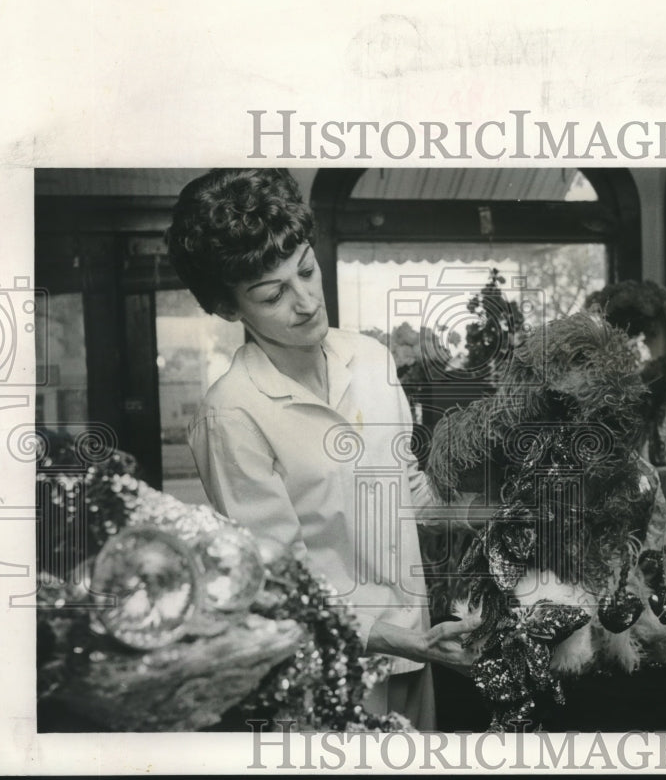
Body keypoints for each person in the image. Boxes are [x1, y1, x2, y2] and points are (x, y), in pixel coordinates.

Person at [166, 168, 478, 729]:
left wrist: (462, 505)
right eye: (272, 294)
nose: (306, 301)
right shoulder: (231, 415)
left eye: (306, 270)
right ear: (230, 308)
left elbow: (408, 492)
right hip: (325, 672)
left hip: (419, 645)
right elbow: (280, 584)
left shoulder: (373, 359)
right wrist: (398, 639)